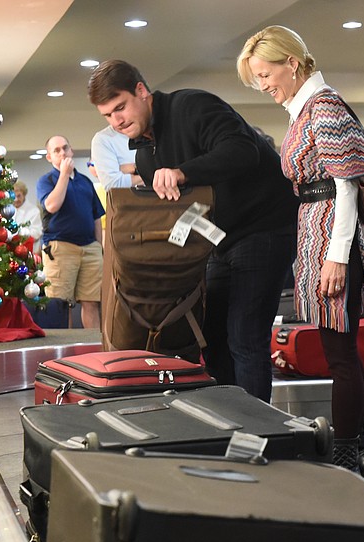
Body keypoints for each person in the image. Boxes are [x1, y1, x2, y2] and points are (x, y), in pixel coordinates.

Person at [88, 59, 298, 403]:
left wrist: (183, 172)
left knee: (245, 338)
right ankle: (228, 422)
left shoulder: (192, 106)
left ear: (142, 91)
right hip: (217, 240)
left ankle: (258, 434)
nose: (117, 121)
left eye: (121, 107)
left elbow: (244, 149)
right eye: (108, 115)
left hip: (265, 227)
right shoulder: (145, 156)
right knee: (211, 338)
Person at [238, 25, 364, 478]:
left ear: (293, 64)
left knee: (341, 354)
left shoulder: (322, 108)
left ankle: (346, 453)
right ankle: (356, 450)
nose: (263, 86)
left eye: (265, 75)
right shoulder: (305, 109)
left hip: (333, 237)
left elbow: (345, 184)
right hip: (317, 230)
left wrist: (336, 256)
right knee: (339, 351)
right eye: (256, 79)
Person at [36, 135, 104, 329]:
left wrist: (99, 247)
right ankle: (60, 351)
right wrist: (64, 174)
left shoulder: (85, 182)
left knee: (92, 301)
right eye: (56, 150)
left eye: (65, 148)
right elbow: (52, 205)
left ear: (71, 150)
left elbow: (96, 217)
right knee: (60, 303)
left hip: (90, 248)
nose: (62, 153)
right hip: (60, 247)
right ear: (49, 157)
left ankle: (93, 346)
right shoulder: (46, 180)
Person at [90, 124, 144, 191]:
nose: (116, 120)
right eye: (108, 115)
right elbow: (113, 184)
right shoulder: (102, 139)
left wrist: (125, 169)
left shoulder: (155, 131)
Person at [12, 181, 43, 257]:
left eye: (19, 196)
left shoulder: (34, 211)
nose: (16, 199)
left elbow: (37, 233)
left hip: (27, 252)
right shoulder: (7, 210)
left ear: (24, 195)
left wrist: (20, 235)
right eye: (13, 196)